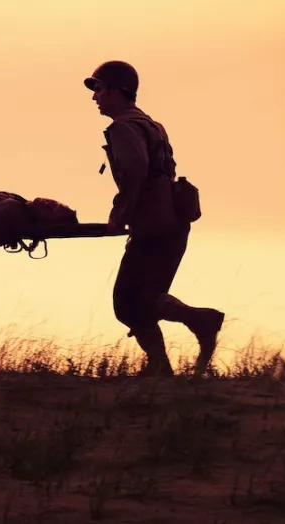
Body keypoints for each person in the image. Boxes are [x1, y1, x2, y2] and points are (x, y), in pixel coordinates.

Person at [84, 60, 225, 377]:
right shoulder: (151, 124)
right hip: (171, 222)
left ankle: (199, 322)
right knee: (142, 297)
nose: (95, 97)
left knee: (127, 301)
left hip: (155, 225)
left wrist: (119, 215)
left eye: (99, 89)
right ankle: (159, 367)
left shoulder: (124, 127)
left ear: (117, 92)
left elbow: (135, 172)